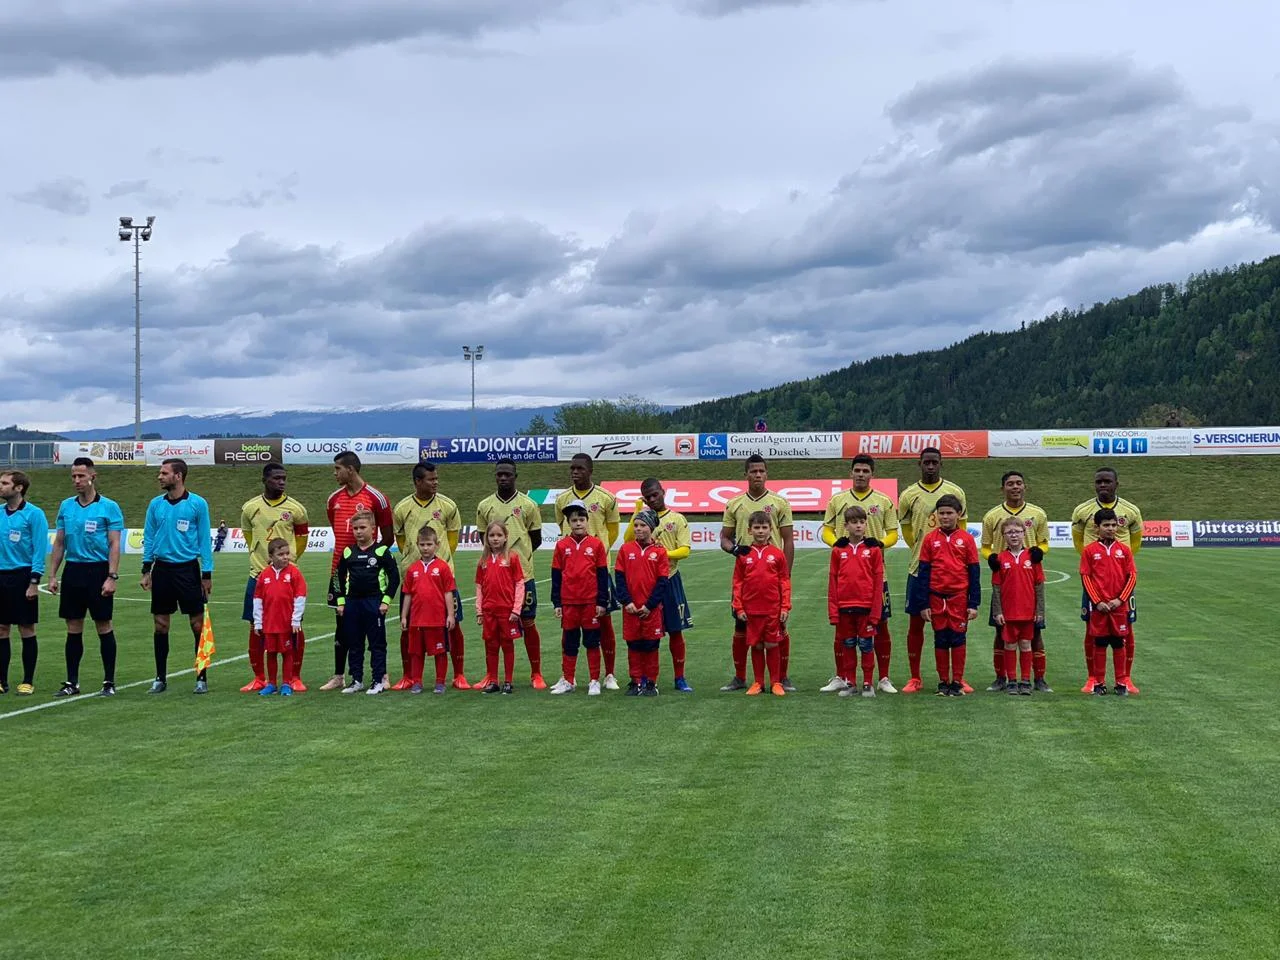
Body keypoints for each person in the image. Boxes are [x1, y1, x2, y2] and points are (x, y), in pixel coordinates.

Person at [821, 454, 899, 693]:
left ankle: (883, 678)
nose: (861, 474)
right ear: (851, 472)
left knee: (881, 625)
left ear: (872, 474)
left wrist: (880, 543)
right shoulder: (838, 500)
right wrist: (838, 543)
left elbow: (894, 533)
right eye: (858, 470)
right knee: (842, 631)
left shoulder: (883, 501)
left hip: (875, 575)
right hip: (848, 573)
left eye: (866, 470)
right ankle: (841, 676)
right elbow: (826, 530)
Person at [47, 458, 123, 697]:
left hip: (98, 570)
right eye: (73, 476)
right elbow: (59, 543)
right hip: (74, 571)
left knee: (103, 625)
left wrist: (111, 576)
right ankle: (72, 682)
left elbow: (114, 544)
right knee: (73, 627)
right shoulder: (66, 506)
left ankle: (109, 682)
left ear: (93, 476)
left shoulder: (109, 507)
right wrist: (52, 575)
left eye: (81, 476)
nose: (76, 481)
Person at [719, 455, 795, 691]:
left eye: (762, 471)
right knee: (741, 626)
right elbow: (724, 538)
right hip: (748, 575)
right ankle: (740, 677)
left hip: (772, 575)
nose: (758, 475)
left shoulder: (780, 502)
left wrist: (786, 576)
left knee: (779, 628)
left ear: (767, 474)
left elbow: (788, 540)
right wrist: (735, 550)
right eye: (754, 471)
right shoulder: (734, 503)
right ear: (746, 475)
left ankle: (781, 676)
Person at [140, 459, 214, 694]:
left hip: (188, 570)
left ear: (178, 476)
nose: (159, 477)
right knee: (160, 625)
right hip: (162, 570)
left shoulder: (197, 504)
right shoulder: (155, 505)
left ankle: (201, 677)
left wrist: (206, 574)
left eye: (164, 473)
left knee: (196, 624)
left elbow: (204, 540)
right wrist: (146, 569)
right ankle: (160, 677)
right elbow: (149, 537)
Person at [321, 452, 393, 692]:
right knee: (342, 626)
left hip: (370, 575)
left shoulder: (377, 498)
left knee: (375, 627)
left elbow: (388, 535)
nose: (334, 473)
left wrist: (373, 560)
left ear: (350, 470)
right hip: (339, 572)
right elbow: (338, 530)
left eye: (337, 468)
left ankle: (381, 674)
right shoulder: (333, 499)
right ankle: (340, 675)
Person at [392, 462, 467, 690]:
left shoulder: (447, 505)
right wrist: (414, 561)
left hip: (442, 579)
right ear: (417, 481)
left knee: (453, 626)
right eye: (430, 479)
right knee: (408, 628)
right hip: (413, 579)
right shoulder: (402, 508)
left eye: (436, 479)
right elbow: (401, 540)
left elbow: (452, 539)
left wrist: (439, 564)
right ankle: (408, 676)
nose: (435, 482)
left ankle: (459, 675)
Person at [898, 448, 967, 693]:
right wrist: (920, 546)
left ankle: (958, 677)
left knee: (955, 626)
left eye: (934, 462)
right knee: (916, 624)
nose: (930, 466)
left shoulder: (955, 491)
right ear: (919, 464)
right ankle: (915, 677)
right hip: (919, 568)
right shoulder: (909, 495)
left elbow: (963, 529)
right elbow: (906, 530)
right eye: (926, 462)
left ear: (941, 464)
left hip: (951, 574)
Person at [1071, 467, 1144, 693]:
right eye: (1099, 482)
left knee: (1126, 630)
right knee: (1092, 631)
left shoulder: (1131, 510)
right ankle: (1094, 677)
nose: (1103, 485)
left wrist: (1118, 560)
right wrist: (1097, 560)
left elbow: (1136, 542)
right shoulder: (1082, 510)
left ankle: (1126, 678)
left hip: (1120, 585)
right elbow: (1078, 542)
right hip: (1095, 582)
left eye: (1107, 482)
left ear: (1116, 484)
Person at [239, 462, 310, 692]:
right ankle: (260, 677)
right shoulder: (250, 508)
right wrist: (263, 562)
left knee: (294, 625)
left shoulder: (296, 509)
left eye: (284, 478)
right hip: (258, 574)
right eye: (276, 478)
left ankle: (294, 677)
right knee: (255, 624)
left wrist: (291, 562)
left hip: (287, 577)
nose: (281, 482)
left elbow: (301, 538)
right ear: (264, 480)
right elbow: (249, 536)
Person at [476, 459, 546, 688]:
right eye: (499, 475)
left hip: (523, 576)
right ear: (495, 477)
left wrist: (518, 558)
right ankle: (492, 676)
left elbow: (535, 538)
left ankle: (536, 673)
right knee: (494, 629)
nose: (503, 478)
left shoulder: (528, 504)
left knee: (527, 622)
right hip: (496, 580)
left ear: (516, 476)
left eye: (508, 474)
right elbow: (483, 538)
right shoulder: (485, 505)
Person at [554, 454, 622, 690]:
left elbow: (612, 531)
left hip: (598, 570)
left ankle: (609, 674)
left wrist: (597, 552)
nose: (575, 472)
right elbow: (560, 526)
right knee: (570, 631)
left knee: (605, 623)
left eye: (580, 468)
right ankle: (569, 677)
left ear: (590, 470)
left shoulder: (606, 498)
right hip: (572, 576)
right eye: (572, 468)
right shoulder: (562, 499)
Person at [980, 471, 1050, 692]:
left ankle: (1038, 678)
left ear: (1025, 486)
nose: (1015, 487)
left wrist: (1040, 551)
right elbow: (985, 546)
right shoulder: (992, 516)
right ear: (1003, 488)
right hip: (1006, 576)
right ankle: (1002, 678)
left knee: (1035, 634)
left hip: (1028, 579)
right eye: (1010, 484)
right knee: (1001, 633)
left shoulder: (1037, 514)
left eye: (1019, 483)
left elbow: (1044, 542)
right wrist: (990, 558)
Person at [623, 478, 694, 691]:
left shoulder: (676, 519)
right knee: (643, 632)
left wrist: (659, 555)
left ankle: (679, 678)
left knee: (675, 630)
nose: (652, 499)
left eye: (655, 495)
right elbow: (628, 542)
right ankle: (643, 678)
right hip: (645, 583)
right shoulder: (642, 519)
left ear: (663, 492)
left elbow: (685, 550)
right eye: (648, 497)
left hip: (670, 579)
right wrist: (637, 509)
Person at [909, 494, 979, 697]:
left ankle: (957, 681)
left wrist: (973, 603)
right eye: (942, 513)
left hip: (959, 597)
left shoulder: (966, 539)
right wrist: (923, 604)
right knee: (940, 639)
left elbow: (974, 572)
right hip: (936, 597)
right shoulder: (930, 539)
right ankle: (943, 682)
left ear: (958, 515)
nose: (945, 517)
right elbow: (924, 573)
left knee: (958, 638)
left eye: (949, 513)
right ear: (936, 515)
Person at [334, 509, 399, 695]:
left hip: (374, 602)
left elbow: (394, 578)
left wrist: (386, 601)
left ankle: (378, 680)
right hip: (352, 603)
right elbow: (338, 578)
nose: (358, 532)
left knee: (377, 644)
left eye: (362, 527)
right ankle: (356, 680)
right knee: (354, 643)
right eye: (355, 528)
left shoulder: (382, 551)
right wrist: (341, 602)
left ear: (373, 529)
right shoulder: (348, 552)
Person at [548, 501, 609, 696]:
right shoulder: (561, 545)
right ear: (568, 523)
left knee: (592, 642)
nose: (578, 524)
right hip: (569, 603)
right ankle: (568, 680)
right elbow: (556, 576)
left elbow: (601, 575)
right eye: (574, 520)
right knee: (569, 643)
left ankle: (594, 680)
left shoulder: (596, 545)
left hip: (590, 602)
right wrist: (557, 602)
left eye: (581, 520)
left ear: (587, 521)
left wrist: (602, 601)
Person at [826, 505, 885, 699]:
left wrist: (876, 612)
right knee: (848, 644)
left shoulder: (874, 549)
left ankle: (868, 683)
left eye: (861, 522)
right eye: (854, 522)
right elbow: (833, 581)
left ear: (866, 525)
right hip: (844, 608)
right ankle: (850, 682)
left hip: (866, 608)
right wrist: (833, 611)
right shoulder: (838, 550)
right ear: (846, 526)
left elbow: (878, 583)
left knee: (867, 645)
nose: (858, 526)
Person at [731, 511, 791, 697]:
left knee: (772, 644)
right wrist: (739, 607)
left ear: (770, 530)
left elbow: (784, 582)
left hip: (772, 608)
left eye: (764, 527)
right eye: (757, 528)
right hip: (751, 609)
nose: (760, 531)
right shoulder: (744, 555)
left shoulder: (777, 554)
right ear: (749, 530)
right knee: (756, 645)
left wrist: (785, 606)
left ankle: (776, 682)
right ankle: (758, 682)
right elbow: (738, 582)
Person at [0, 470, 49, 696]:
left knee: (26, 628)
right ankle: (2, 680)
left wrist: (34, 581)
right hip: (1, 576)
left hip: (22, 576)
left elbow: (39, 549)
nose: (1, 487)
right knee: (1, 629)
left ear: (19, 487)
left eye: (5, 483)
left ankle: (27, 680)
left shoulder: (34, 514)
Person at [1079, 508, 1138, 696]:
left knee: (1119, 643)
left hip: (1119, 607)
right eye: (1106, 525)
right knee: (1100, 643)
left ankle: (1121, 682)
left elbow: (1132, 577)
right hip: (1099, 608)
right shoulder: (1089, 551)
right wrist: (1097, 601)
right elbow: (1086, 577)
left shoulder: (1124, 550)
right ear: (1097, 528)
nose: (1110, 528)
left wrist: (1120, 600)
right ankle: (1099, 682)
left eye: (1113, 525)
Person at [614, 509, 670, 696]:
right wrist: (627, 601)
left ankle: (651, 683)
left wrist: (649, 605)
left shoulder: (660, 552)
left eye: (642, 525)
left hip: (651, 610)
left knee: (651, 646)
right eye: (635, 525)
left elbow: (662, 582)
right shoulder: (625, 549)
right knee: (634, 645)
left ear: (652, 528)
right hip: (630, 609)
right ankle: (635, 681)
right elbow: (619, 578)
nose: (638, 529)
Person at [989, 517, 1046, 696]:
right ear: (1003, 536)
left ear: (1024, 533)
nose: (1014, 535)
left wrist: (1040, 611)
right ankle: (1011, 680)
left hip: (1028, 612)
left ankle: (1025, 681)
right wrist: (997, 611)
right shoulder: (1000, 559)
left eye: (1017, 532)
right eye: (1009, 532)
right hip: (1008, 612)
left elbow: (1039, 586)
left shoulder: (1033, 557)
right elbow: (996, 587)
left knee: (1026, 644)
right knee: (1010, 645)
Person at [401, 526, 458, 695]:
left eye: (429, 544)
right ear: (417, 545)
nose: (425, 548)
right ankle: (417, 682)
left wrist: (450, 615)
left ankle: (440, 682)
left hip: (437, 619)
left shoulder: (442, 567)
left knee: (440, 652)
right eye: (422, 544)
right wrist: (404, 616)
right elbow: (408, 594)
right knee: (416, 653)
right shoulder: (413, 569)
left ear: (437, 545)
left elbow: (448, 592)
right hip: (417, 620)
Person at [474, 521, 525, 695]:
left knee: (507, 645)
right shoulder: (483, 561)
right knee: (491, 646)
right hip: (489, 611)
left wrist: (516, 609)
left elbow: (519, 583)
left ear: (505, 538)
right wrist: (479, 610)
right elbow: (479, 587)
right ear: (486, 538)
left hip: (507, 611)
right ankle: (493, 681)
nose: (495, 539)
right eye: (491, 535)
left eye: (499, 535)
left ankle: (508, 681)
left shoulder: (512, 558)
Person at [251, 538, 307, 697]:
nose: (285, 557)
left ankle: (287, 683)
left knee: (287, 652)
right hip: (269, 624)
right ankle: (272, 684)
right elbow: (257, 599)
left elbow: (300, 596)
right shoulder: (264, 575)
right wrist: (258, 622)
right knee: (271, 653)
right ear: (271, 556)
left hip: (286, 623)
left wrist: (296, 619)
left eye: (287, 553)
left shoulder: (294, 573)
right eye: (280, 554)